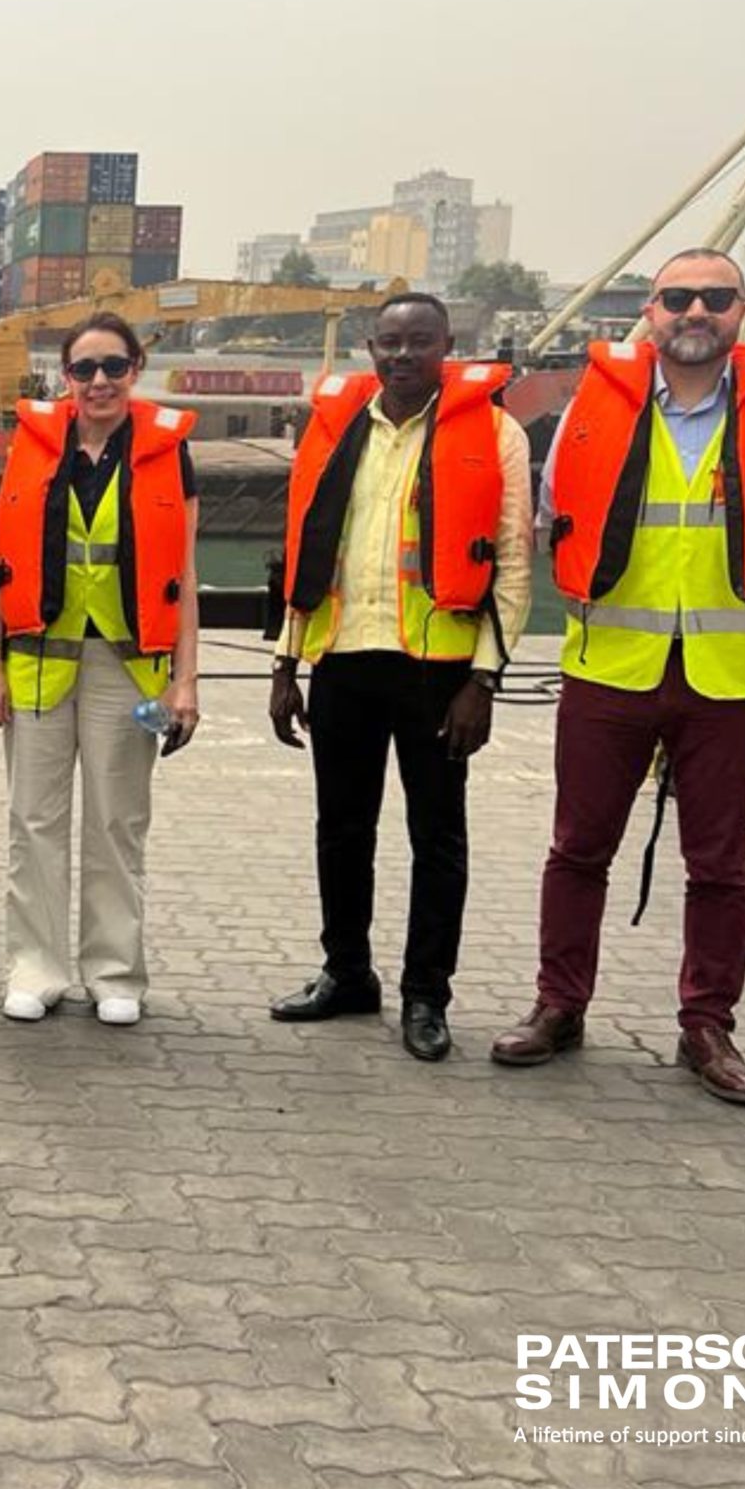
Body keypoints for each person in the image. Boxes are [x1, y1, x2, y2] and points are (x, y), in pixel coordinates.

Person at [494, 248, 745, 1103]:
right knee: (577, 848)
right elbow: (550, 521)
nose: (696, 312)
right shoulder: (592, 410)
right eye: (678, 297)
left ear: (742, 310)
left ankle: (707, 1023)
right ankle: (558, 1003)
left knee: (722, 864)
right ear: (649, 310)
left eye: (715, 298)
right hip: (610, 666)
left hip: (732, 673)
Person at [266, 293, 529, 1061]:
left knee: (437, 837)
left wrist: (484, 678)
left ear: (449, 343)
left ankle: (426, 993)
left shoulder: (495, 433)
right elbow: (309, 552)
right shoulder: (340, 427)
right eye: (389, 342)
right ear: (370, 349)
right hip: (344, 656)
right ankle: (347, 971)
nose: (403, 355)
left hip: (439, 672)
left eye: (420, 341)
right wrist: (287, 661)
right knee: (341, 831)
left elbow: (512, 562)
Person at [0, 315, 198, 1025]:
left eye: (113, 366)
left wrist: (186, 681)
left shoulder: (168, 453)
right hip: (38, 661)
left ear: (135, 368)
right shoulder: (34, 450)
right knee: (33, 821)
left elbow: (185, 576)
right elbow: (1, 569)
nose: (99, 381)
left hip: (130, 669)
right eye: (84, 369)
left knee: (117, 821)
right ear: (65, 377)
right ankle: (35, 967)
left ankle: (114, 972)